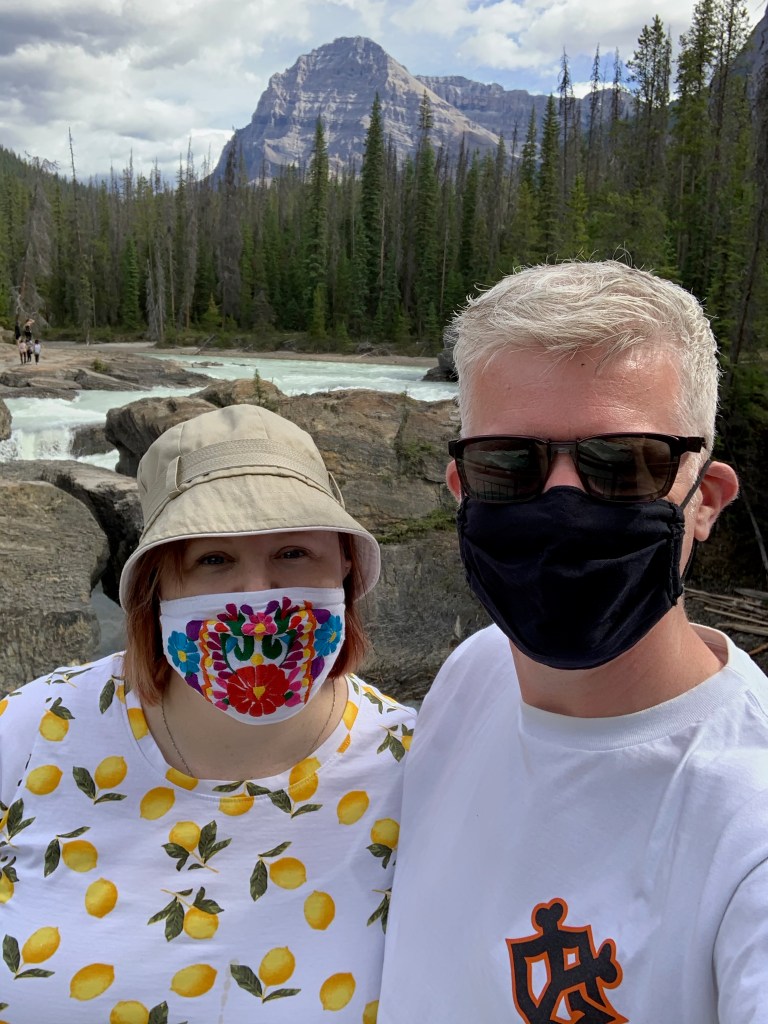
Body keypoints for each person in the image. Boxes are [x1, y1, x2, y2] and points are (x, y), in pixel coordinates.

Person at [379, 260, 768, 1022]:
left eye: (622, 464)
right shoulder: (471, 675)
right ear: (463, 489)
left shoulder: (746, 828)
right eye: (508, 464)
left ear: (705, 502)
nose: (561, 499)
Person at [0, 404, 415, 1020]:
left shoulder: (417, 768)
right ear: (158, 584)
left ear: (346, 563)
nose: (258, 595)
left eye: (293, 552)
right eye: (214, 559)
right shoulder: (30, 730)